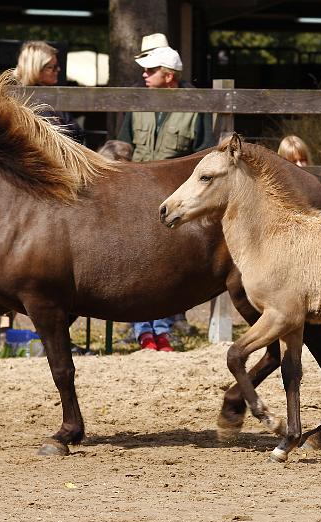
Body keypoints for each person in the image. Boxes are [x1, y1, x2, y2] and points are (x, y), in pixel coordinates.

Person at [117, 42, 216, 350]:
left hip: (174, 200)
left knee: (165, 264)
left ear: (169, 76)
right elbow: (123, 147)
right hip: (136, 195)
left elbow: (203, 156)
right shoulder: (138, 105)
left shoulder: (195, 110)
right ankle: (142, 328)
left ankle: (160, 327)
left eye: (150, 71)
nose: (144, 75)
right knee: (135, 261)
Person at [14, 40, 85, 144]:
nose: (58, 69)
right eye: (52, 67)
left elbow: (76, 133)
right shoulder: (25, 101)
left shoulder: (51, 96)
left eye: (57, 65)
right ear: (35, 69)